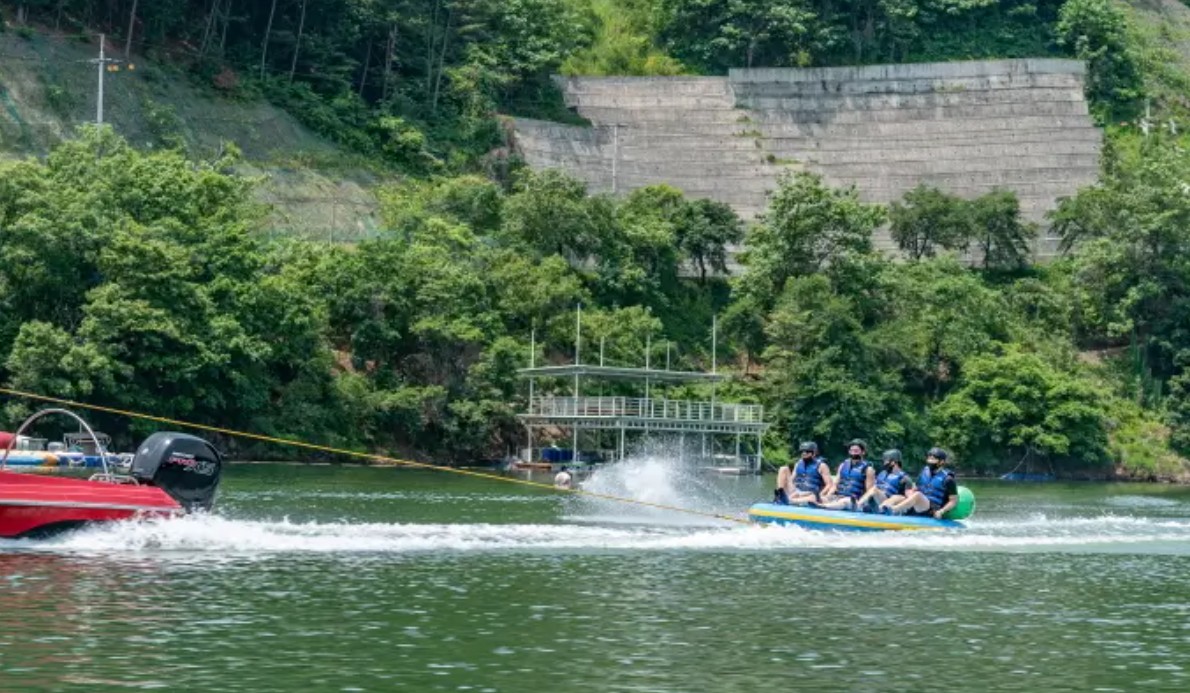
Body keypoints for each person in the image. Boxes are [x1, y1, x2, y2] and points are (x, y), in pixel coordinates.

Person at [887, 448, 957, 519]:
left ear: (941, 462)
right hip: (919, 503)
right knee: (897, 497)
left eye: (933, 459)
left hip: (932, 508)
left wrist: (941, 511)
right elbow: (915, 487)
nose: (930, 461)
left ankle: (894, 510)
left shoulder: (948, 479)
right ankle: (883, 509)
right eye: (929, 459)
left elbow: (953, 501)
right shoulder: (924, 472)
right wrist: (910, 492)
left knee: (918, 495)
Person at [818, 439, 875, 511]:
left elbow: (869, 491)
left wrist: (860, 503)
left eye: (856, 451)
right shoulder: (843, 465)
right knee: (820, 498)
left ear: (863, 452)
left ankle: (825, 507)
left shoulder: (868, 469)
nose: (853, 453)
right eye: (851, 451)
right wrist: (828, 495)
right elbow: (835, 485)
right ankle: (824, 504)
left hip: (853, 500)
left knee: (844, 501)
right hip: (838, 496)